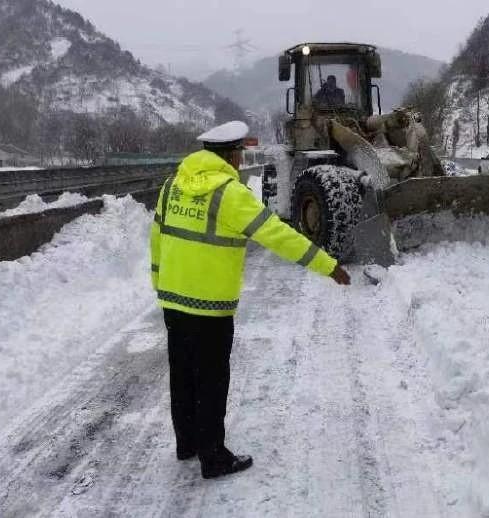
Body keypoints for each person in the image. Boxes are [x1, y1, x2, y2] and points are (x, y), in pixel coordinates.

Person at [150, 120, 351, 479]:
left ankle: (188, 444)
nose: (242, 159)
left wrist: (159, 282)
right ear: (230, 155)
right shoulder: (230, 194)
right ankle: (213, 457)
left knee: (182, 375)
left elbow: (158, 238)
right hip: (209, 306)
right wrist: (327, 265)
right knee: (211, 380)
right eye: (240, 152)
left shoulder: (172, 186)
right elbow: (278, 236)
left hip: (173, 300)